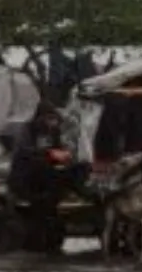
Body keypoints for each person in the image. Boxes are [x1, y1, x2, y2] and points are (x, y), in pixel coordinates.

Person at [7, 102, 94, 253]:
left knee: (79, 168)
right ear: (40, 118)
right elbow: (24, 153)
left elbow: (59, 149)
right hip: (27, 176)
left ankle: (87, 193)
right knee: (45, 190)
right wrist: (48, 154)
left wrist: (65, 155)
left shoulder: (53, 132)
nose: (51, 123)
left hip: (47, 172)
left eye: (53, 119)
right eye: (49, 119)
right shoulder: (28, 130)